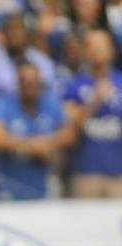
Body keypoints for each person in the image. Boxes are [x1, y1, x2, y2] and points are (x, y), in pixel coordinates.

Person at [0, 62, 74, 201]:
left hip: (41, 186)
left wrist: (48, 143)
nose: (28, 86)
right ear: (17, 83)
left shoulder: (50, 103)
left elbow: (69, 134)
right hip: (8, 186)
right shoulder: (3, 102)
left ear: (40, 83)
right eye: (23, 81)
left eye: (32, 82)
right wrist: (31, 146)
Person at [63, 29, 122, 198]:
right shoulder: (74, 85)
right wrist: (94, 101)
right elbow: (69, 128)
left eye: (102, 45)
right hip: (85, 174)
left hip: (119, 174)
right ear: (84, 51)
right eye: (91, 45)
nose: (97, 50)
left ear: (111, 50)